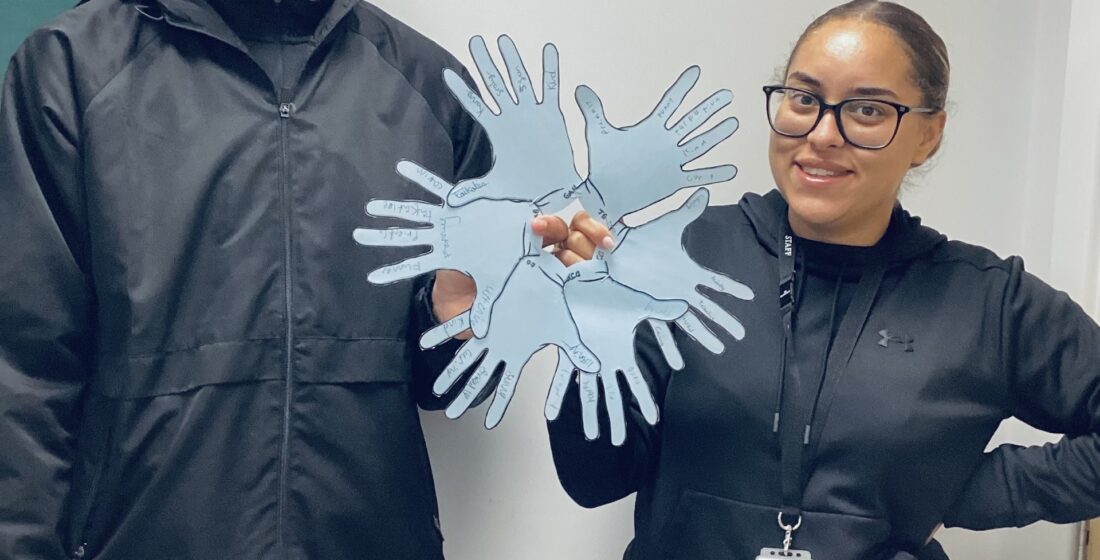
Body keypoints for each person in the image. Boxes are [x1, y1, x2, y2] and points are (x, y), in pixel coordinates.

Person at [543, 1, 1100, 559]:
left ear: (928, 135)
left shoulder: (987, 301)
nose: (822, 134)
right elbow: (594, 480)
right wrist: (591, 337)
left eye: (866, 110)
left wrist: (963, 492)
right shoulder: (678, 253)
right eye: (804, 99)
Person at [0, 0, 504, 557]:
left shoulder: (432, 89)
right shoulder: (72, 68)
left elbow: (452, 386)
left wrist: (452, 321)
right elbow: (25, 369)